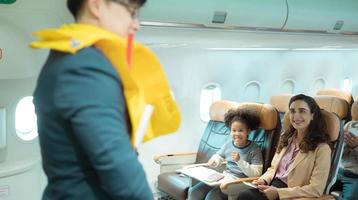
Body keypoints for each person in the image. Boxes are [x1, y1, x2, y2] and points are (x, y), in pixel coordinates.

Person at [32, 0, 156, 199]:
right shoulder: (85, 66)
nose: (136, 24)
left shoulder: (67, 56)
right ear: (96, 5)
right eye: (132, 11)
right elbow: (118, 165)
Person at [237, 94, 331, 200]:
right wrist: (263, 180)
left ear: (312, 115)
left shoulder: (322, 149)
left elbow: (316, 189)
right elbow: (273, 169)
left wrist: (278, 193)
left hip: (293, 194)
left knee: (246, 196)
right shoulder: (286, 138)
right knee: (244, 195)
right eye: (292, 111)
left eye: (302, 111)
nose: (296, 116)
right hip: (272, 186)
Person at [188, 108, 263, 200]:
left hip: (239, 183)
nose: (236, 134)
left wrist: (239, 161)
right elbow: (219, 156)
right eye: (233, 130)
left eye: (240, 130)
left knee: (211, 197)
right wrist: (215, 160)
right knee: (194, 191)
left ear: (248, 131)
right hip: (225, 178)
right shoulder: (228, 144)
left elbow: (256, 174)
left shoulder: (254, 149)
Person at [331, 101, 358, 200]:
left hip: (355, 177)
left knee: (349, 197)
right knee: (319, 190)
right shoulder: (350, 125)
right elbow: (340, 155)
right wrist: (343, 145)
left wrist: (356, 148)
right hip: (339, 171)